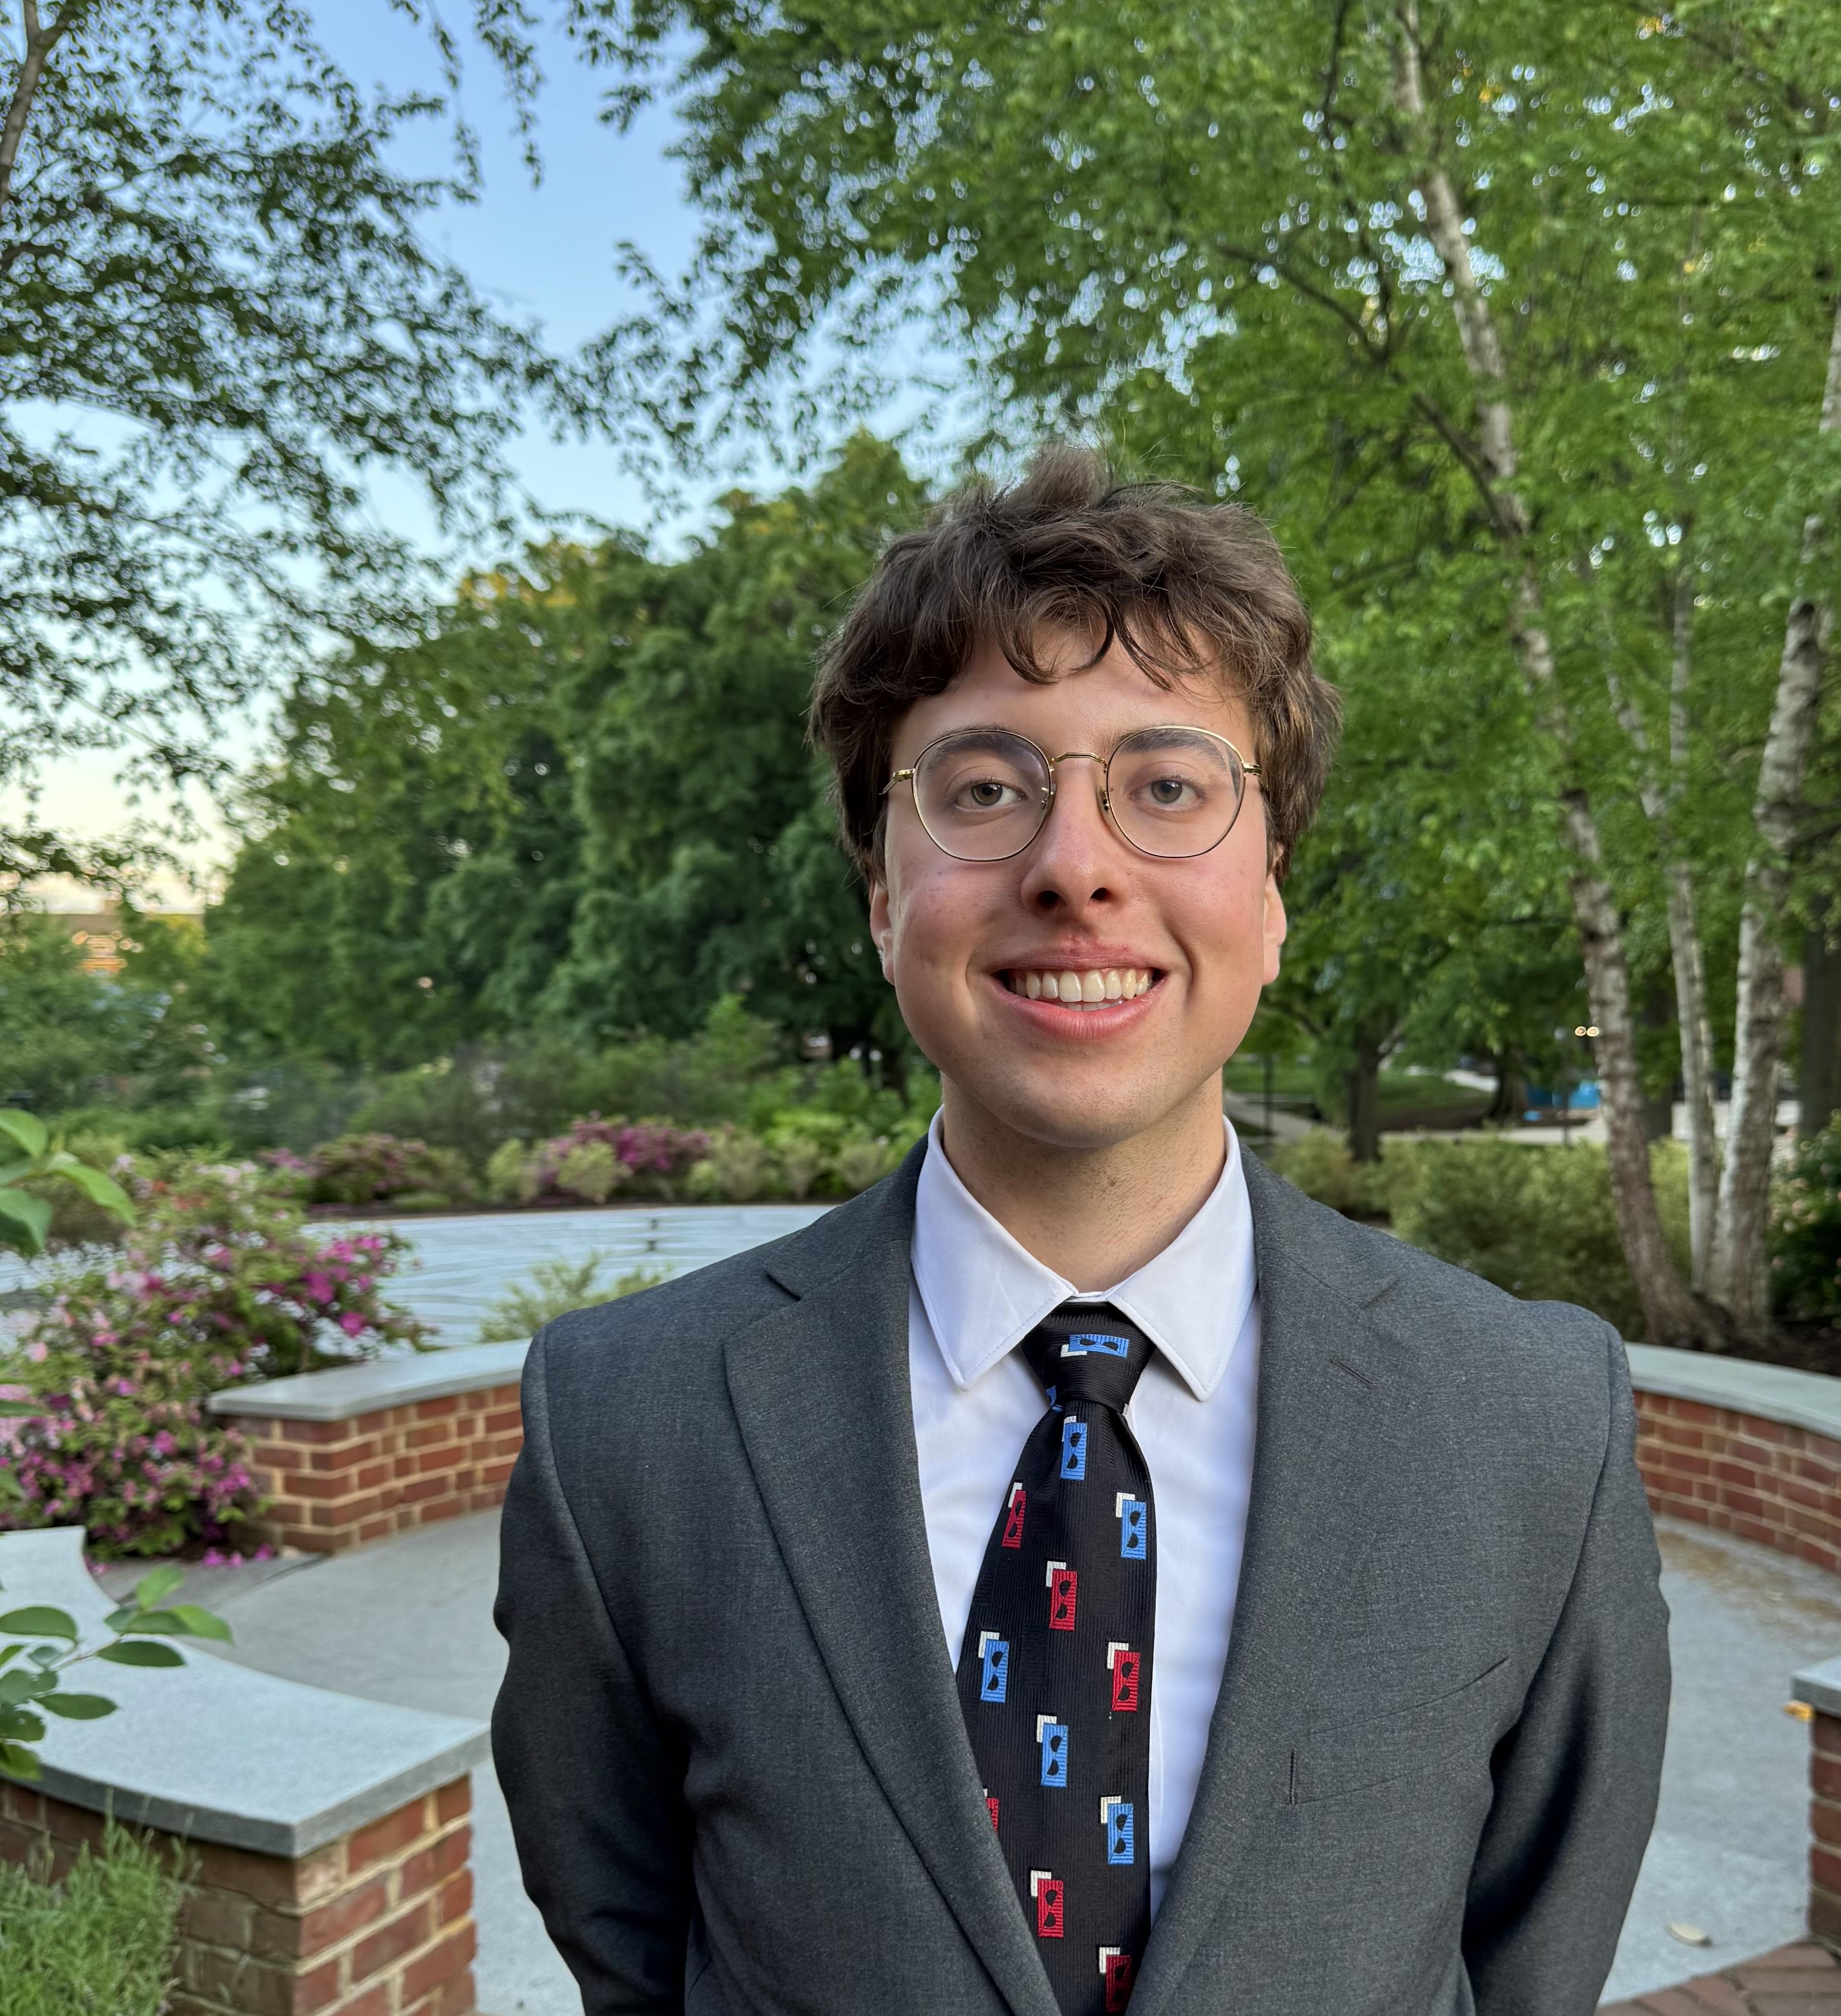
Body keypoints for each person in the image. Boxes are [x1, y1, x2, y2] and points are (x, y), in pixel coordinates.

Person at [492, 448, 1670, 2016]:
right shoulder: (627, 1424)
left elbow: (1531, 1955)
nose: (1075, 866)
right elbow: (632, 1939)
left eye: (1167, 786)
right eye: (984, 789)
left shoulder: (1530, 1418)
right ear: (880, 893)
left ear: (1272, 891)